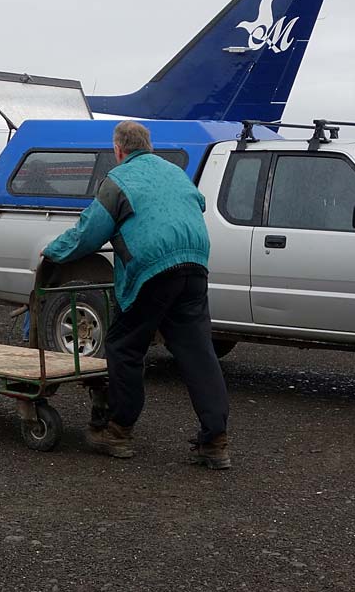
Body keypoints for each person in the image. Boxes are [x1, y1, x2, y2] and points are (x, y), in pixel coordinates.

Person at [41, 121, 230, 468]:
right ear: (149, 145)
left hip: (153, 268)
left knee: (124, 346)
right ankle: (215, 440)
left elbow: (88, 234)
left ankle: (119, 430)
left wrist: (52, 252)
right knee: (198, 352)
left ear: (118, 150)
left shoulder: (118, 181)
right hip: (195, 263)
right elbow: (198, 203)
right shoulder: (175, 173)